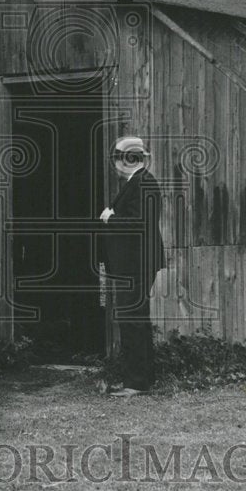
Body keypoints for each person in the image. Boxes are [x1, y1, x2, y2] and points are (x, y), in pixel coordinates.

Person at [98, 135, 166, 396]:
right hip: (133, 262)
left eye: (117, 158)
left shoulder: (144, 183)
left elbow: (140, 223)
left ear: (129, 160)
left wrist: (111, 219)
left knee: (132, 319)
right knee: (136, 319)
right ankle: (141, 379)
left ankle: (136, 383)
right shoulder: (137, 182)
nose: (114, 164)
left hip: (136, 264)